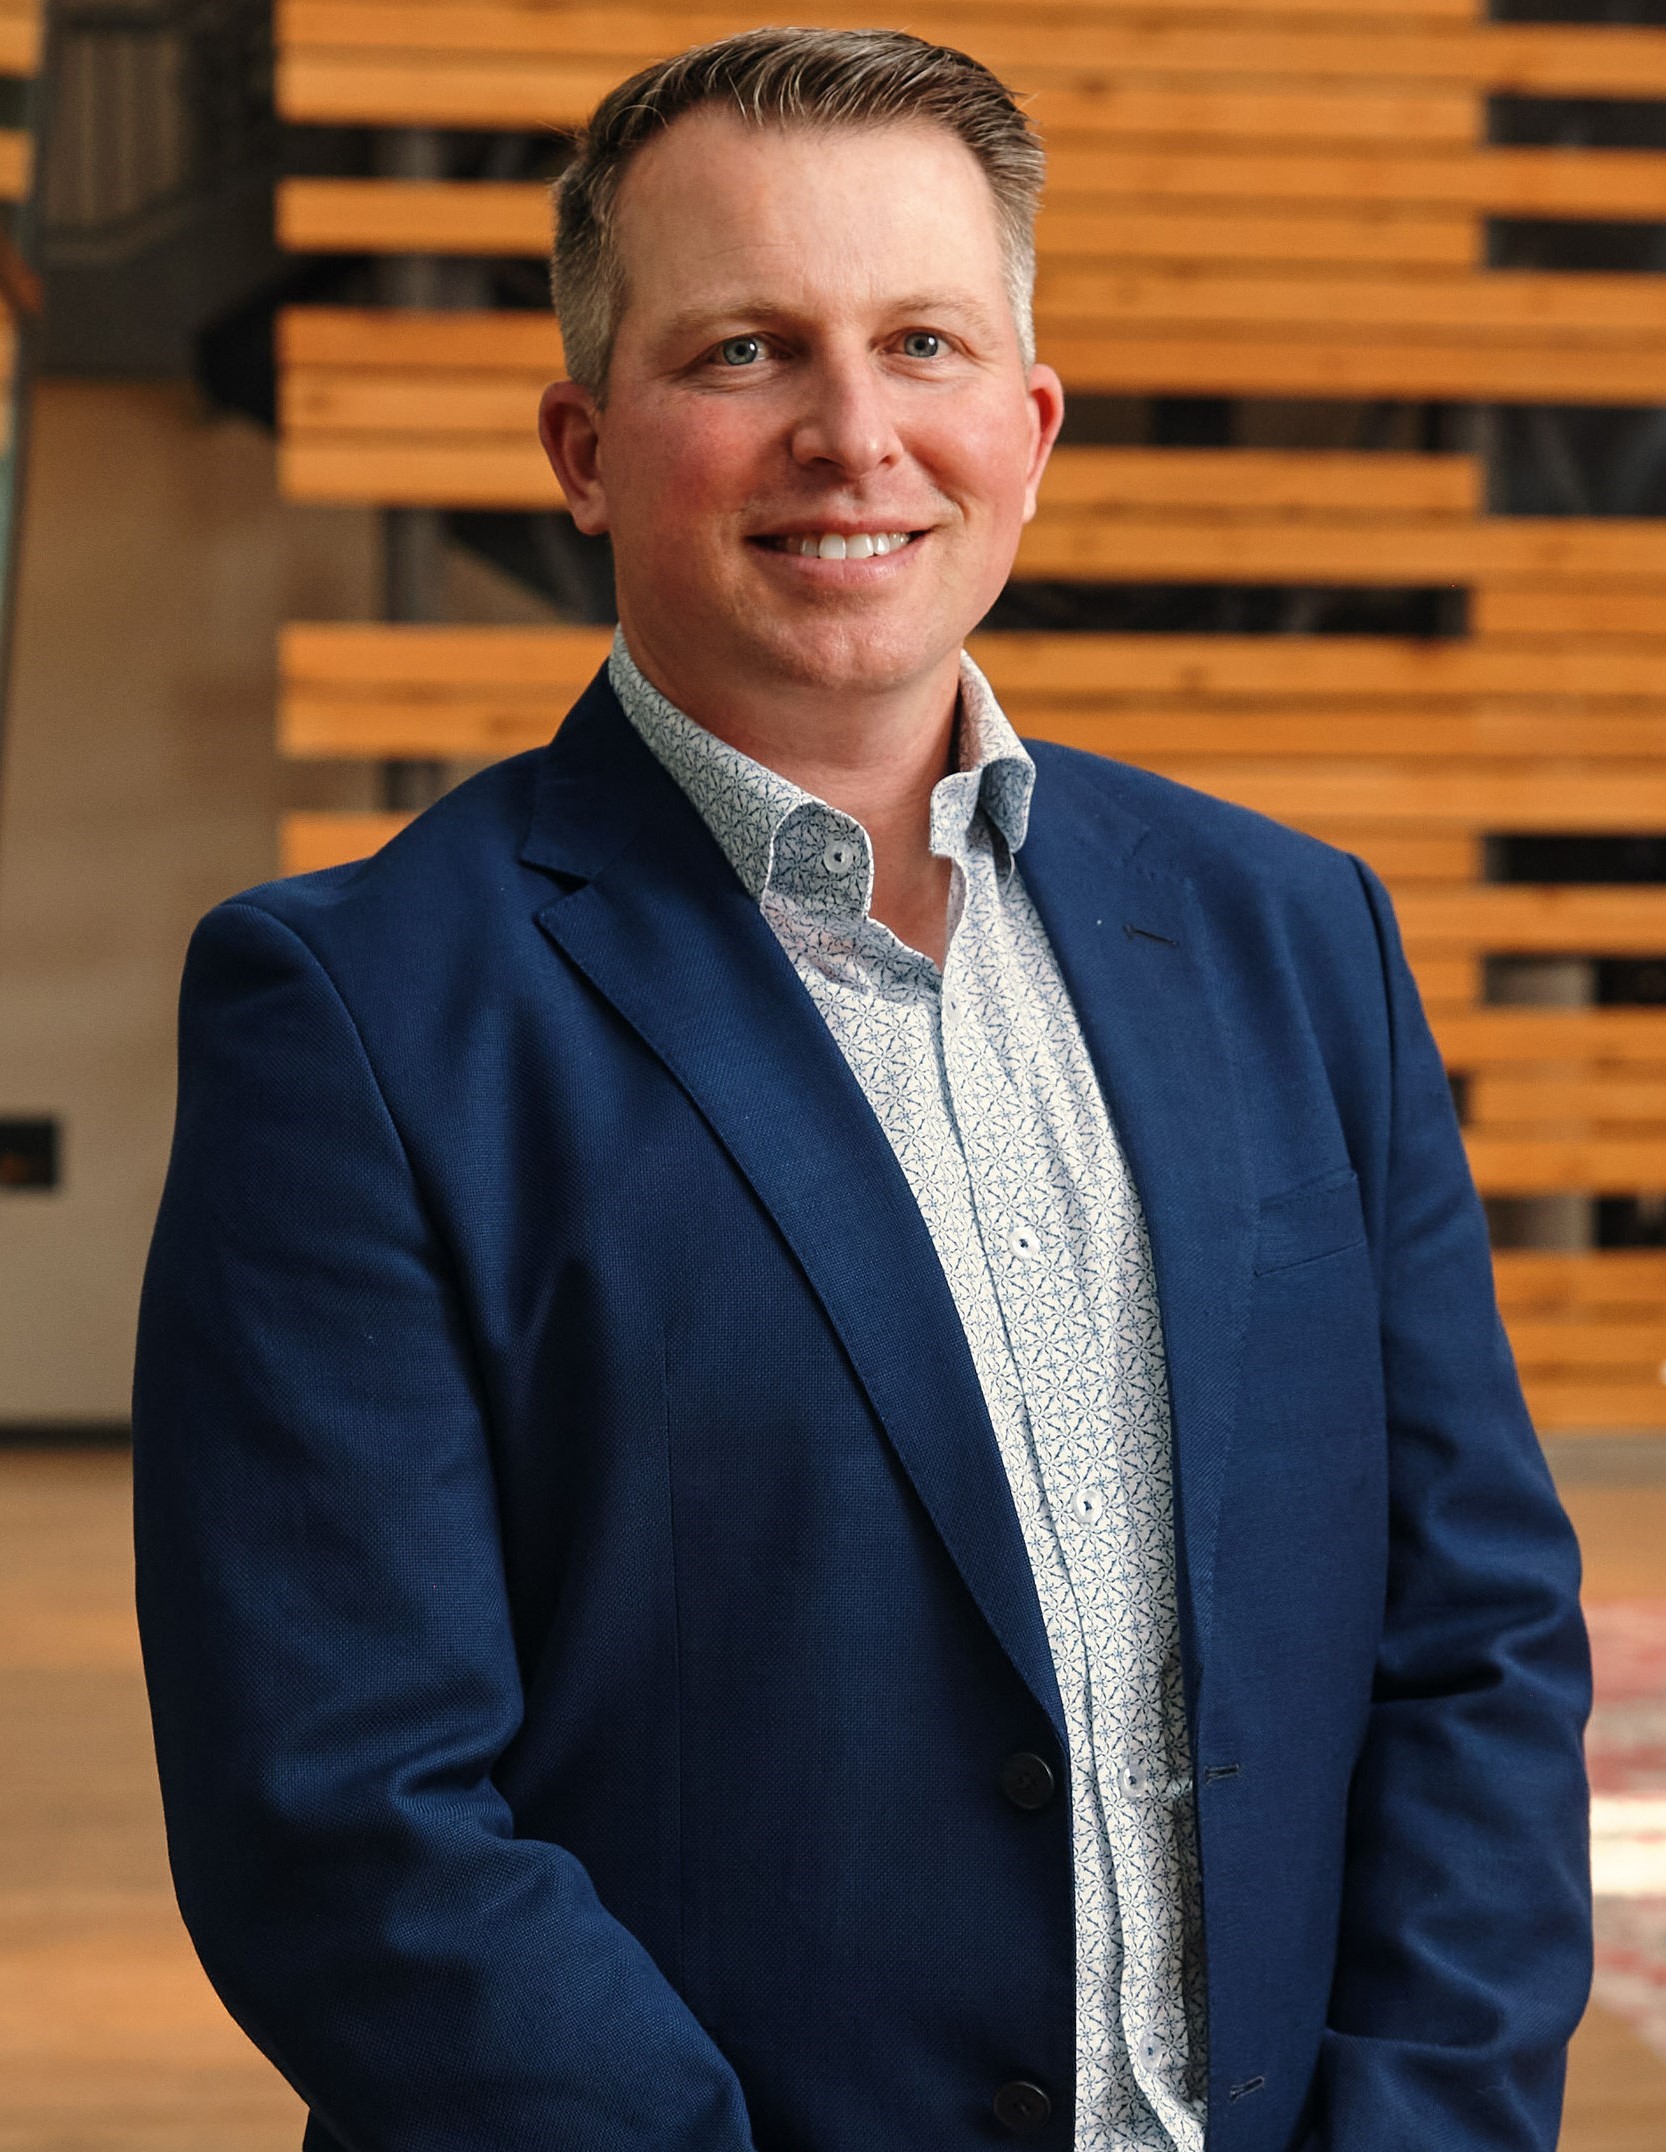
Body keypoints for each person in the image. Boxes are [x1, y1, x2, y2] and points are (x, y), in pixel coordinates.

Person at [132, 28, 1591, 2152]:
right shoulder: (356, 1012)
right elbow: (341, 1810)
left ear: (1029, 424)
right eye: (743, 352)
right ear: (583, 446)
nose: (852, 434)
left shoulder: (1293, 936)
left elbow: (1474, 1640)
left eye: (922, 342)